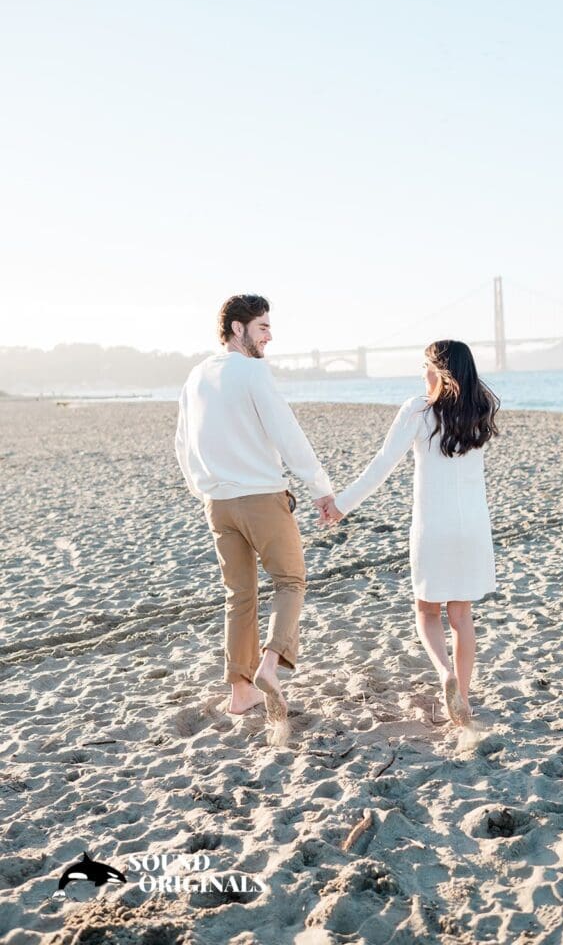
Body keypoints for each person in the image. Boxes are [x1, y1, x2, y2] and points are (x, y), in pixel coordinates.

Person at [174, 294, 334, 721]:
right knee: (290, 581)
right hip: (261, 498)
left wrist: (204, 489)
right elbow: (288, 434)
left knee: (239, 596)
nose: (269, 335)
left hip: (217, 504)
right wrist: (320, 488)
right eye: (262, 326)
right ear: (237, 329)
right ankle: (268, 666)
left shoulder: (196, 376)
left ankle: (240, 693)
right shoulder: (252, 373)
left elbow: (182, 444)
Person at [323, 340, 499, 727]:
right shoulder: (480, 412)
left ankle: (445, 674)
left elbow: (383, 464)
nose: (423, 373)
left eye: (426, 366)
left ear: (440, 370)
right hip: (472, 527)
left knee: (426, 610)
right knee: (462, 616)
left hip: (434, 527)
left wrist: (342, 504)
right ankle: (464, 698)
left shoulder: (418, 411)